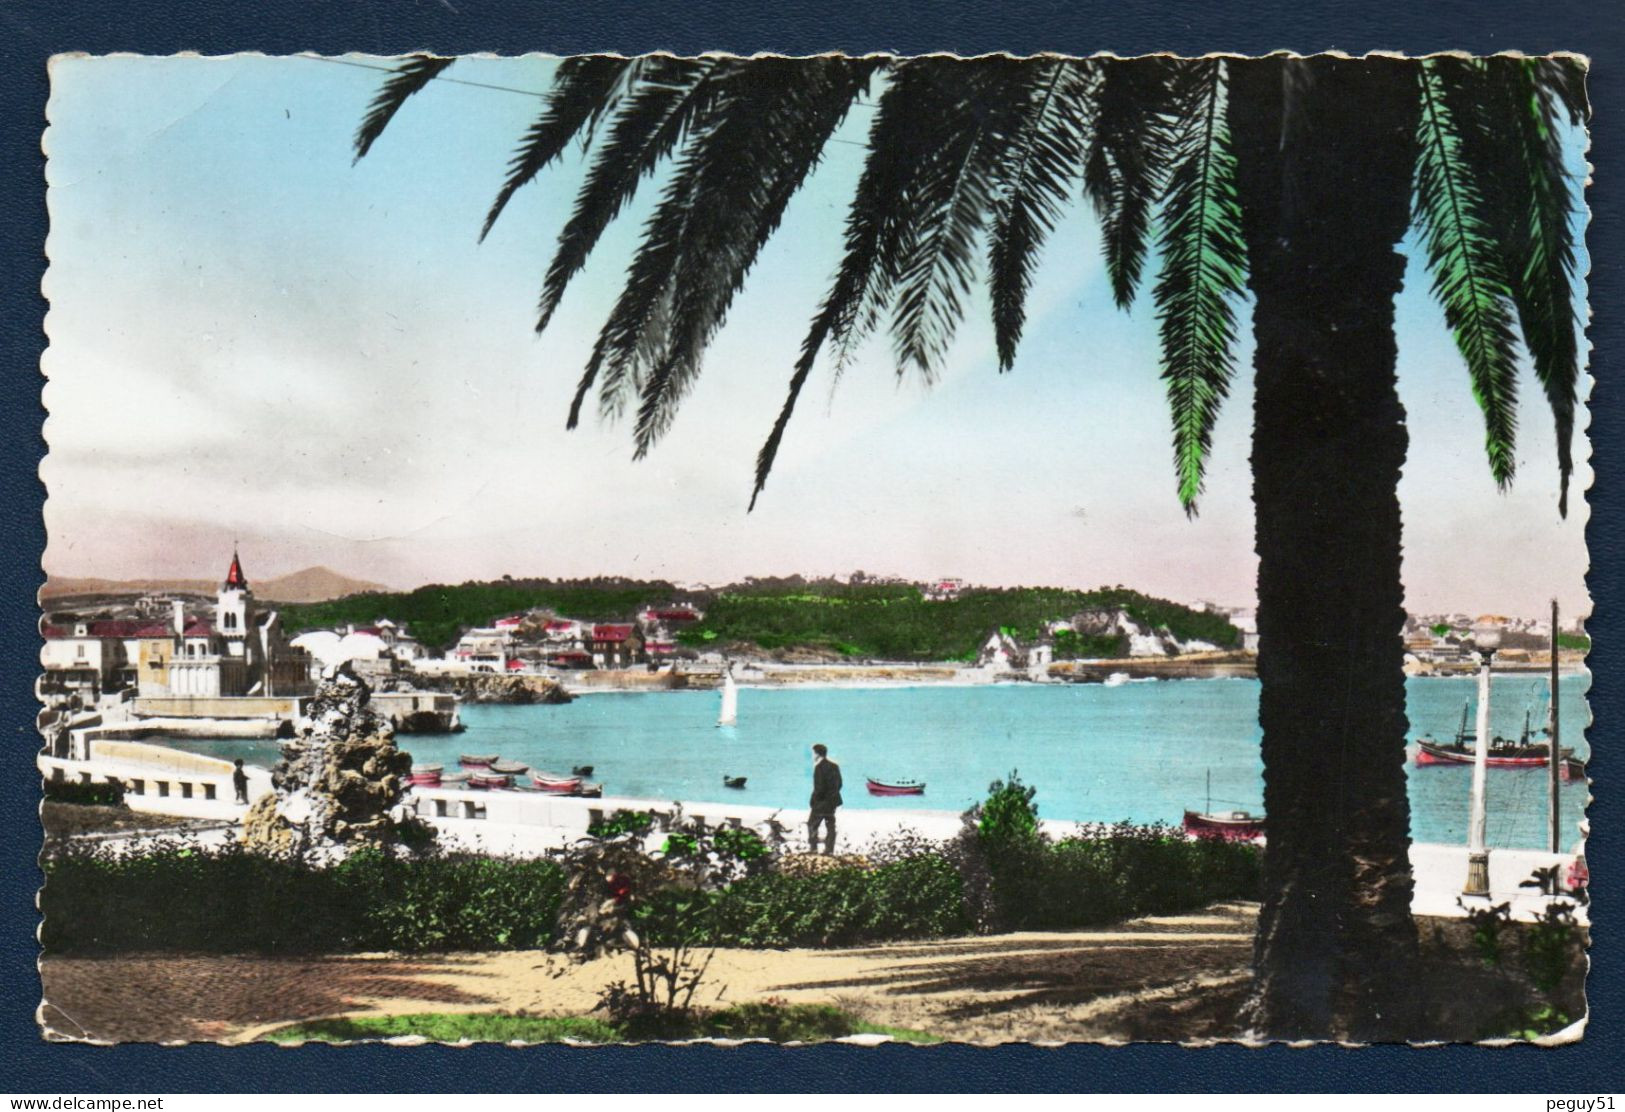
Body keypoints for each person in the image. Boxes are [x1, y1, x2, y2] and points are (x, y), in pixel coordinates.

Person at [807, 743, 842, 854]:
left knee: (812, 824)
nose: (812, 756)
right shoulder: (834, 766)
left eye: (813, 753)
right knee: (830, 825)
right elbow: (839, 784)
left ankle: (813, 849)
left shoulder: (819, 767)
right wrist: (832, 795)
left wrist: (813, 800)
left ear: (817, 754)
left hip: (821, 803)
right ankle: (829, 850)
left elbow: (819, 788)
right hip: (832, 802)